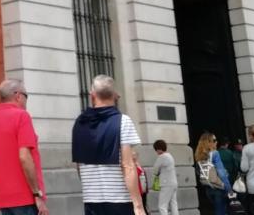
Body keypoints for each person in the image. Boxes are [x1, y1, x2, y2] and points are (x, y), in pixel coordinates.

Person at [72, 75, 146, 215]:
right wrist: (138, 205)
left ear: (92, 94)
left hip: (91, 200)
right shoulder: (122, 121)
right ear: (115, 95)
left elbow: (79, 165)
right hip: (120, 200)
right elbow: (128, 165)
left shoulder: (79, 123)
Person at [0, 79, 48, 215]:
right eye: (26, 96)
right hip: (26, 198)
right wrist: (37, 195)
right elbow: (24, 157)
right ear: (18, 96)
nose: (26, 101)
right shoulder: (22, 116)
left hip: (3, 199)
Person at [195, 132, 232, 215]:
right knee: (221, 212)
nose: (216, 142)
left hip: (208, 188)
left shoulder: (199, 155)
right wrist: (229, 189)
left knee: (217, 210)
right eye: (214, 140)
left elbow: (199, 172)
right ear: (209, 142)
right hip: (218, 188)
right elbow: (221, 173)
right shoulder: (215, 153)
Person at [152, 140, 179, 215]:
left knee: (162, 206)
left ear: (159, 149)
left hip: (166, 184)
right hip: (173, 183)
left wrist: (158, 171)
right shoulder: (170, 156)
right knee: (173, 204)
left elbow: (155, 170)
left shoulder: (162, 157)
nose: (156, 152)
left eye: (156, 149)